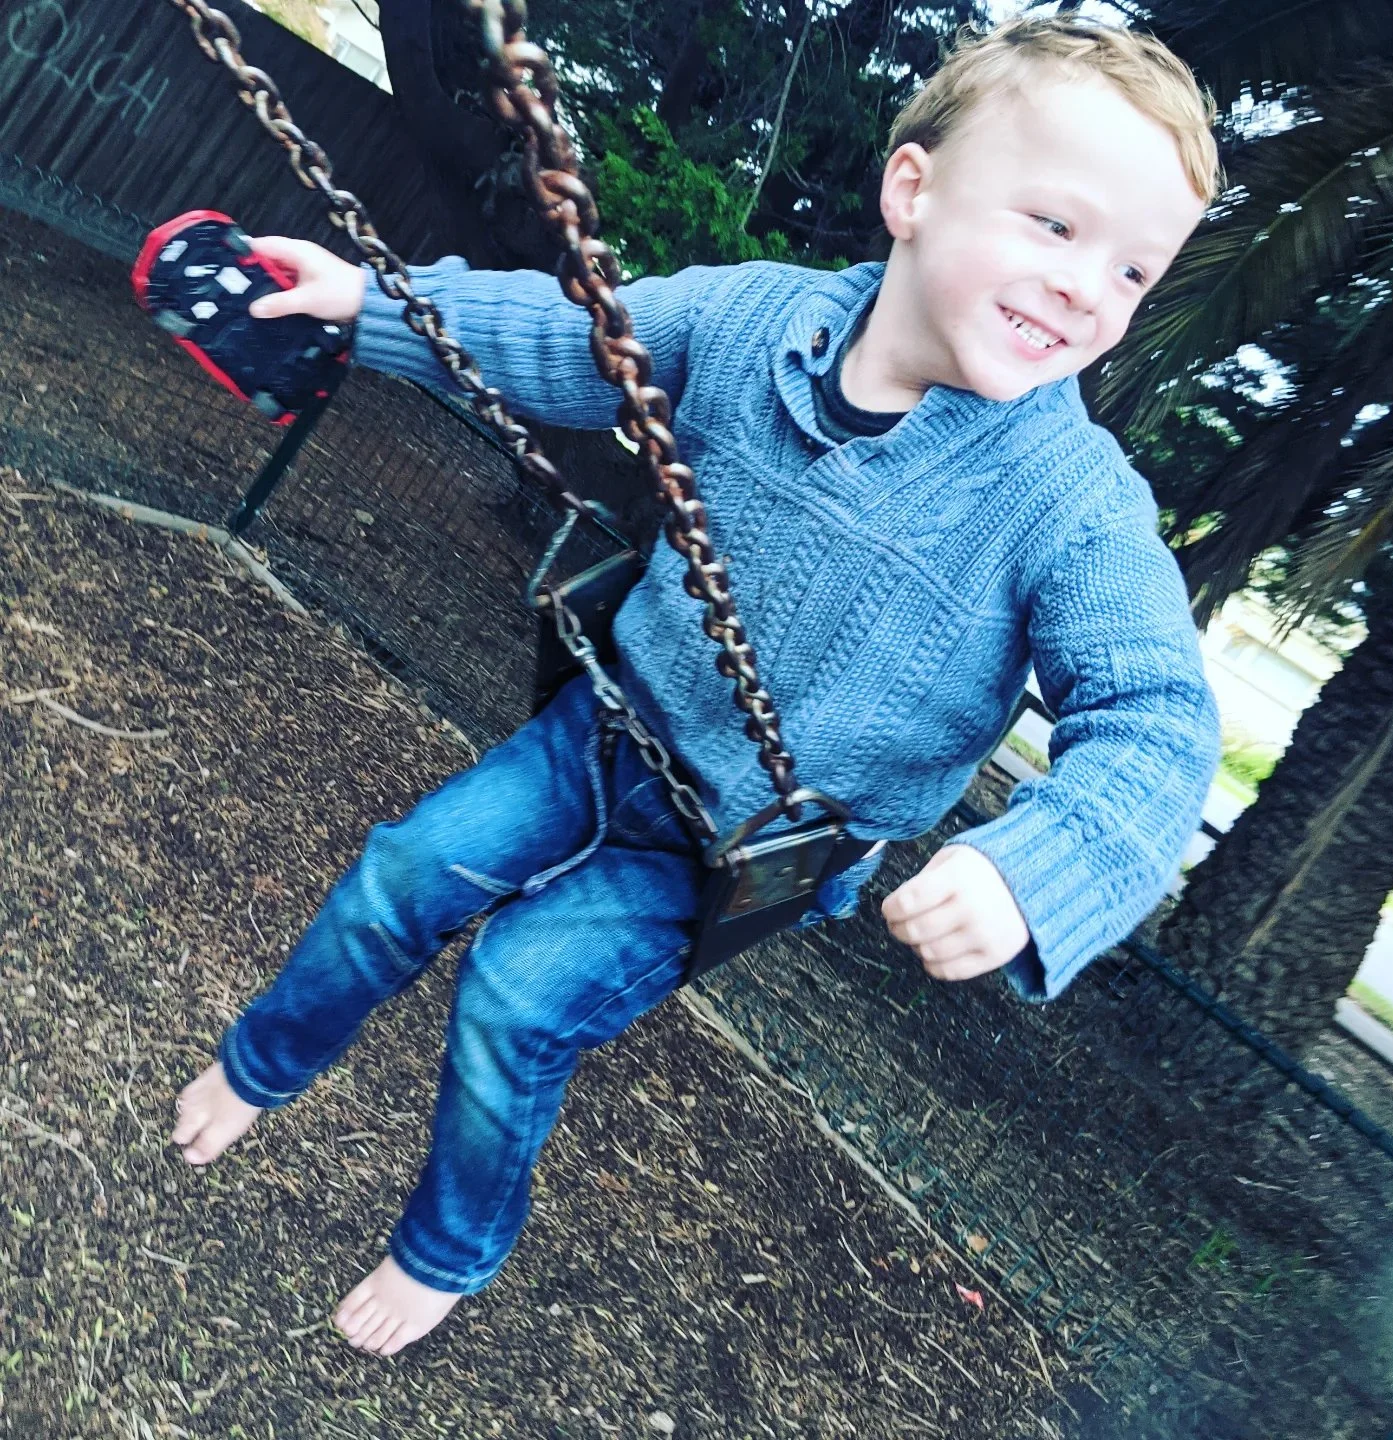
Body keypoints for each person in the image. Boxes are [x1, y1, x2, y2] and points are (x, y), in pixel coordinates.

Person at [171, 15, 1223, 1356]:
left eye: (1133, 270)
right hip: (609, 727)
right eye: (1057, 226)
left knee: (517, 992)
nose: (1088, 290)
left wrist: (1043, 866)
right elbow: (573, 341)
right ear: (913, 191)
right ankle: (262, 1065)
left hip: (740, 848)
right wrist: (367, 304)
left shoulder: (1072, 505)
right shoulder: (761, 318)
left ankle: (448, 1250)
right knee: (402, 875)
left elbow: (1155, 722)